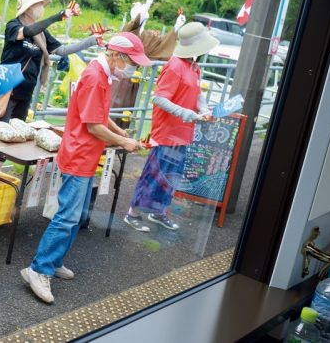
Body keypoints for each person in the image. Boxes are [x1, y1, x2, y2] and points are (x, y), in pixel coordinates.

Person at [20, 33, 152, 304]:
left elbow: (100, 118)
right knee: (68, 216)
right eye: (132, 63)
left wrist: (124, 137)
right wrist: (123, 141)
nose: (133, 70)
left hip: (85, 155)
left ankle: (53, 262)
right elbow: (93, 126)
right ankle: (39, 269)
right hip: (79, 155)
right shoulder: (95, 77)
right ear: (117, 56)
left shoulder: (102, 73)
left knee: (75, 214)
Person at [124, 22, 219, 233]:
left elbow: (197, 94)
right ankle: (133, 213)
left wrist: (204, 109)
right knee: (155, 174)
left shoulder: (194, 67)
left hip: (183, 132)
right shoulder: (175, 65)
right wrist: (188, 113)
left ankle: (159, 211)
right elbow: (159, 99)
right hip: (167, 132)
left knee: (171, 176)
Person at [0, 0, 100, 123]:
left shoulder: (42, 33)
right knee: (0, 129)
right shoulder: (13, 26)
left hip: (27, 89)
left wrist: (92, 40)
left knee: (18, 131)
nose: (41, 7)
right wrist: (57, 17)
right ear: (28, 7)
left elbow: (62, 50)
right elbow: (28, 31)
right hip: (8, 89)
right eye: (38, 4)